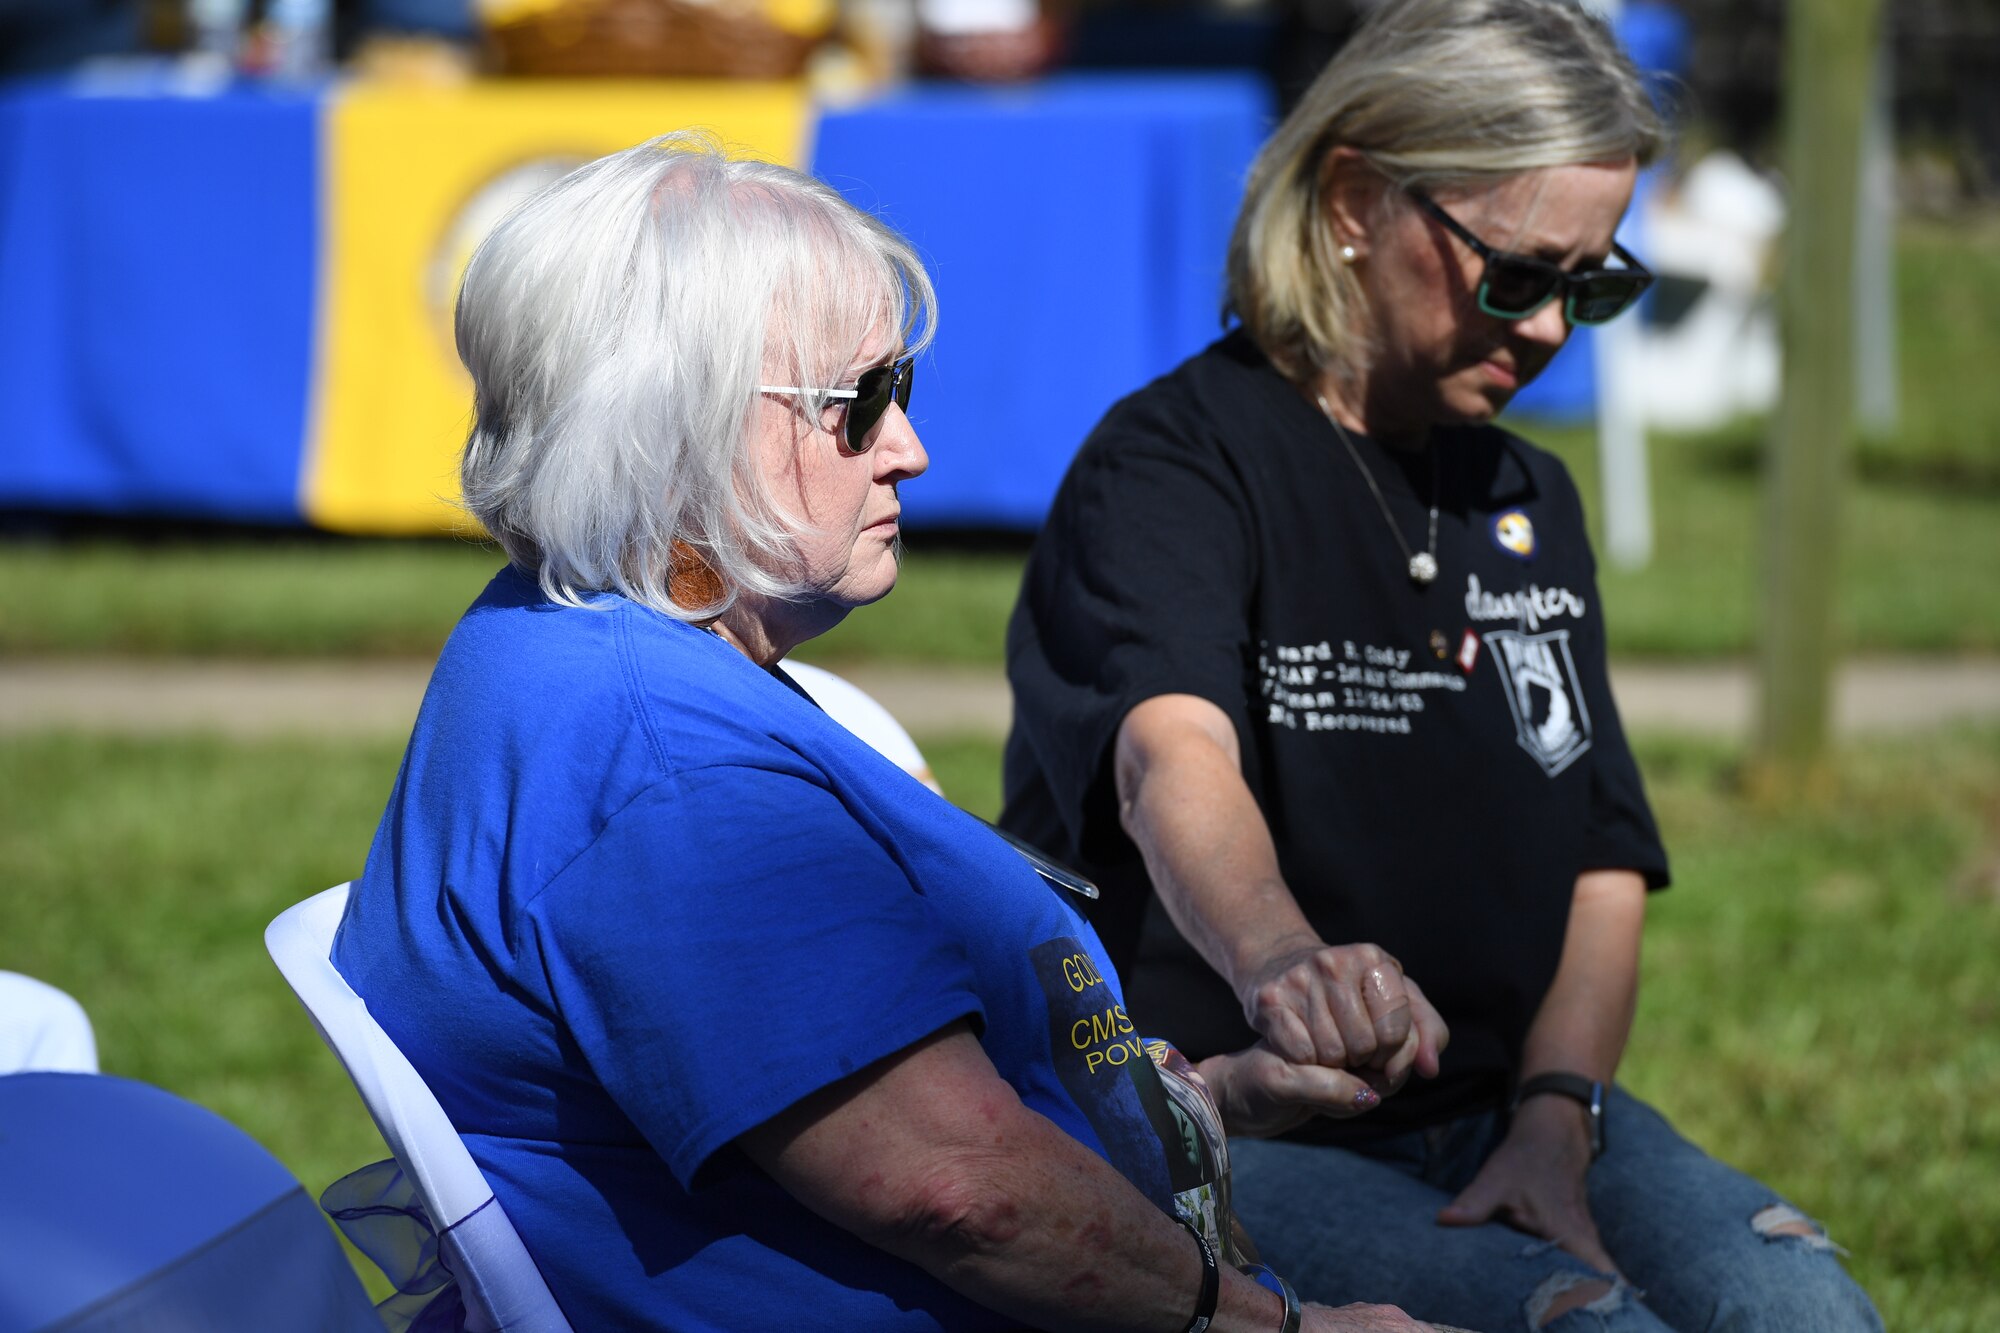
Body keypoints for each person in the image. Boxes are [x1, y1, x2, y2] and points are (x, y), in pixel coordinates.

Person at [333, 134, 1433, 1332]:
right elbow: (958, 1193)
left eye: (899, 391)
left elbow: (894, 1109)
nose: (908, 447)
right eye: (860, 404)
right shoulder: (662, 767)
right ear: (668, 428)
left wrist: (1198, 1097)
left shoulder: (594, 648)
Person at [999, 2, 1884, 1330]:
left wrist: (1556, 1111)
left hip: (1496, 1107)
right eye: (1517, 276)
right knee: (1577, 1319)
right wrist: (1281, 957)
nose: (1549, 333)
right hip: (1242, 1116)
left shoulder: (1529, 493)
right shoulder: (1172, 465)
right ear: (1357, 198)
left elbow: (1602, 851)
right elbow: (1166, 754)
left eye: (1593, 288)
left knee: (1804, 1308)